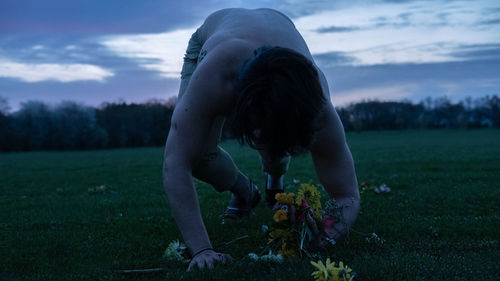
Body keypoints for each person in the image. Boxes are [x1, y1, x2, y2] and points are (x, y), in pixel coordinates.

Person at [162, 8, 360, 271]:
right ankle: (245, 191)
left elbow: (347, 194)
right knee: (199, 156)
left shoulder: (319, 109)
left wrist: (326, 233)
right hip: (216, 35)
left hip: (276, 27)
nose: (255, 137)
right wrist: (202, 250)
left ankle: (274, 183)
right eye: (253, 126)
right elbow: (176, 161)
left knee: (277, 138)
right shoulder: (215, 77)